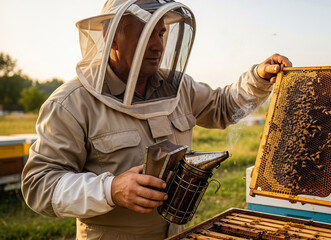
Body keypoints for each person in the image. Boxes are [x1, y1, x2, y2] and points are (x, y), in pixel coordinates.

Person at [21, 0, 292, 239]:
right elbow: (38, 184)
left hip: (179, 232)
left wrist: (257, 78)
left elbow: (223, 106)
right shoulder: (71, 103)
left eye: (161, 32)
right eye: (145, 34)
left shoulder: (179, 87)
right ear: (111, 38)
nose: (158, 45)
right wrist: (110, 189)